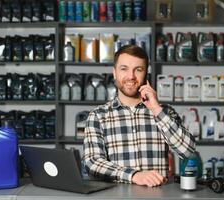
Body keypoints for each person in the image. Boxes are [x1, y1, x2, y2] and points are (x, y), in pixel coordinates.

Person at [83, 45, 196, 187]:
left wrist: (156, 109)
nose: (131, 76)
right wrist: (134, 175)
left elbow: (188, 151)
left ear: (146, 74)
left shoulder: (164, 112)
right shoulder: (98, 116)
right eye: (124, 69)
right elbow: (92, 162)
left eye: (138, 69)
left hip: (158, 196)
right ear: (115, 73)